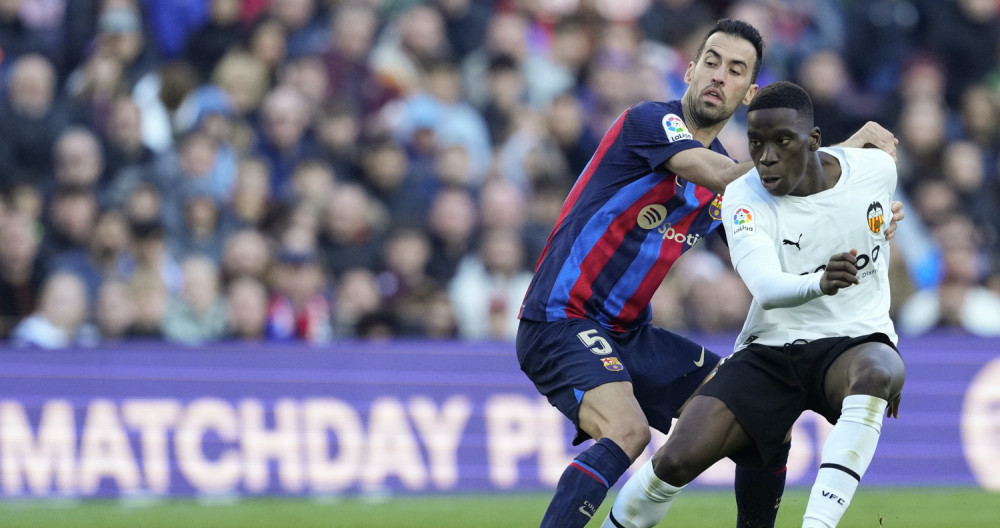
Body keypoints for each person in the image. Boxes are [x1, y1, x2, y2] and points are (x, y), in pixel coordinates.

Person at [515, 19, 900, 528]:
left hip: (630, 333)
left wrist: (862, 216)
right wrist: (838, 154)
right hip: (562, 316)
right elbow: (722, 176)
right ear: (690, 70)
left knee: (761, 409)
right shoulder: (650, 123)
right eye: (712, 62)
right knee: (627, 431)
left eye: (736, 70)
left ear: (749, 94)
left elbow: (779, 241)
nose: (719, 75)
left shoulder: (738, 185)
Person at [605, 81, 906, 528]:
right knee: (674, 462)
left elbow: (872, 215)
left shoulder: (876, 171)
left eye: (782, 141)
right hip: (771, 348)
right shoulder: (744, 196)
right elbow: (765, 286)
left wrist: (883, 224)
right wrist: (818, 283)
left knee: (881, 369)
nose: (766, 156)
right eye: (756, 143)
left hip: (853, 340)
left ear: (814, 141)